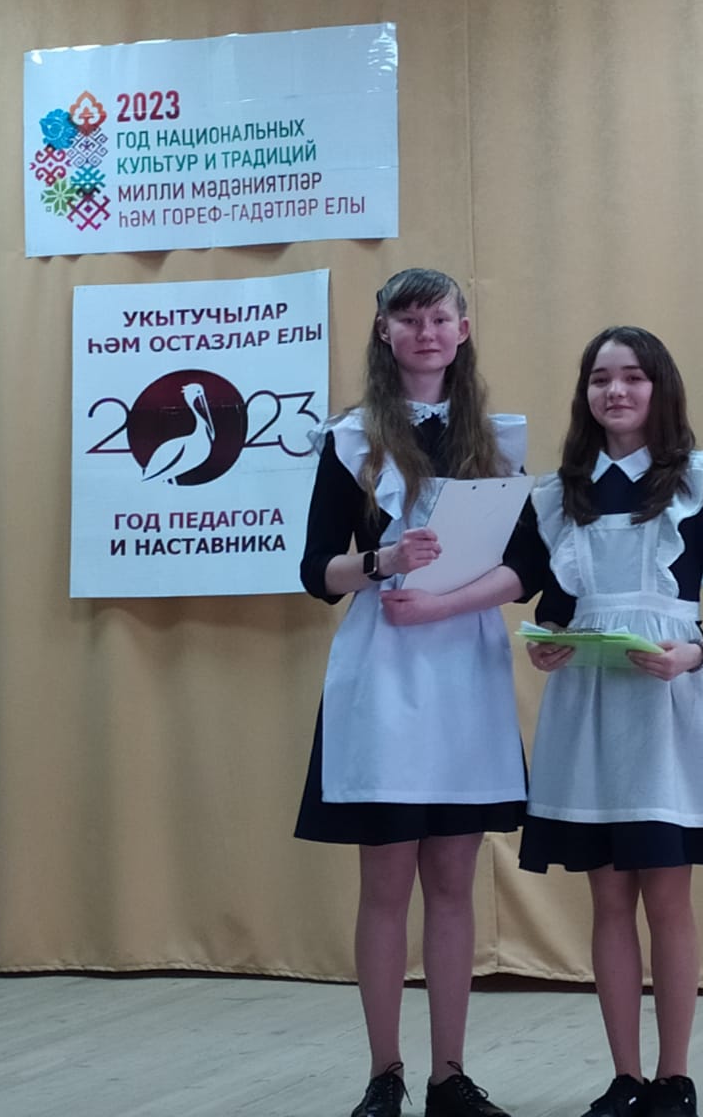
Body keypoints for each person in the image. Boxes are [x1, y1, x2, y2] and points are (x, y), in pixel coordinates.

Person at [295, 268, 541, 1117]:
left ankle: (449, 1076)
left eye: (439, 318)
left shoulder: (496, 441)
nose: (425, 333)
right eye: (408, 320)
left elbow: (530, 565)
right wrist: (384, 561)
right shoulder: (350, 440)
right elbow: (315, 572)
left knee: (453, 882)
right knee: (385, 885)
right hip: (385, 671)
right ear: (384, 332)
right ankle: (384, 1074)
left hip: (465, 667)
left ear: (462, 330)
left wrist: (444, 602)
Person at [520, 327, 703, 1117]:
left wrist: (697, 655)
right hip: (591, 709)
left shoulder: (701, 480)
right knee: (608, 898)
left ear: (660, 388)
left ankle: (674, 1077)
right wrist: (547, 647)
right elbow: (555, 609)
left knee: (668, 898)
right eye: (600, 378)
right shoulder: (559, 494)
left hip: (668, 705)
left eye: (631, 377)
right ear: (585, 393)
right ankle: (624, 1077)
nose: (615, 391)